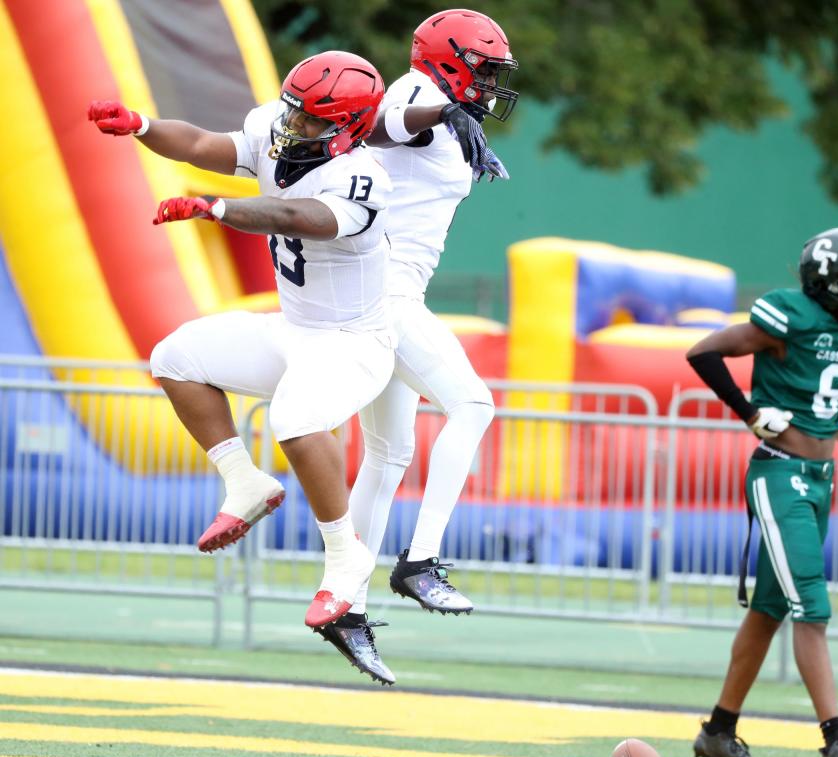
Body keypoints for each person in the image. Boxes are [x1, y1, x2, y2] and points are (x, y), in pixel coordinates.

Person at [88, 51, 395, 630]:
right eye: (294, 112)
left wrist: (219, 207)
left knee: (297, 420)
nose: (295, 127)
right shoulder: (279, 135)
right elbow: (203, 145)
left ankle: (345, 556)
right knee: (175, 357)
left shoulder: (363, 178)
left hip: (354, 342)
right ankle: (244, 481)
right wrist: (142, 126)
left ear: (348, 127)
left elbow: (293, 214)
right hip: (296, 330)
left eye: (311, 121)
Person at [311, 9, 518, 686]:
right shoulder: (415, 92)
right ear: (451, 61)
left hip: (392, 290)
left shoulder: (451, 111)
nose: (489, 83)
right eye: (482, 68)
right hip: (386, 289)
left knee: (390, 454)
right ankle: (420, 560)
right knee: (474, 404)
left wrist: (454, 109)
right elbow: (383, 123)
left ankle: (348, 602)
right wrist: (441, 103)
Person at [685, 228, 838, 757]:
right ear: (826, 286)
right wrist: (750, 412)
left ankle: (718, 732)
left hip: (821, 477)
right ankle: (836, 741)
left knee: (769, 611)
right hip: (781, 477)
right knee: (812, 608)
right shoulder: (786, 317)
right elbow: (702, 352)